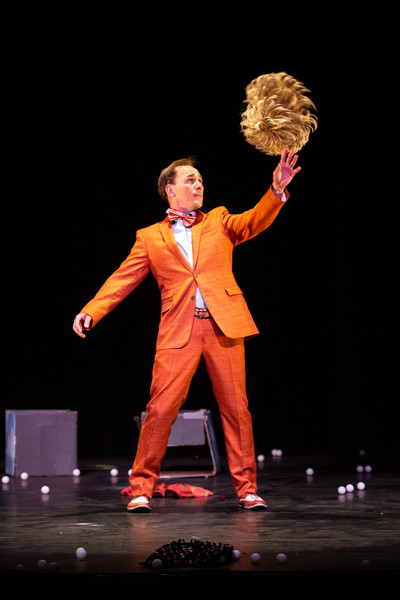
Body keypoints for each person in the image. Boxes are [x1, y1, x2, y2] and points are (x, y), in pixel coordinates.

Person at [73, 148, 301, 512]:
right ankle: (142, 488)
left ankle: (247, 490)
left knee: (236, 410)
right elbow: (123, 278)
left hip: (224, 326)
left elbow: (253, 221)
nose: (198, 185)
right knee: (160, 408)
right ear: (170, 189)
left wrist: (276, 191)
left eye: (200, 180)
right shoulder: (149, 237)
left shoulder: (219, 220)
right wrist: (92, 310)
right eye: (190, 180)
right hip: (179, 330)